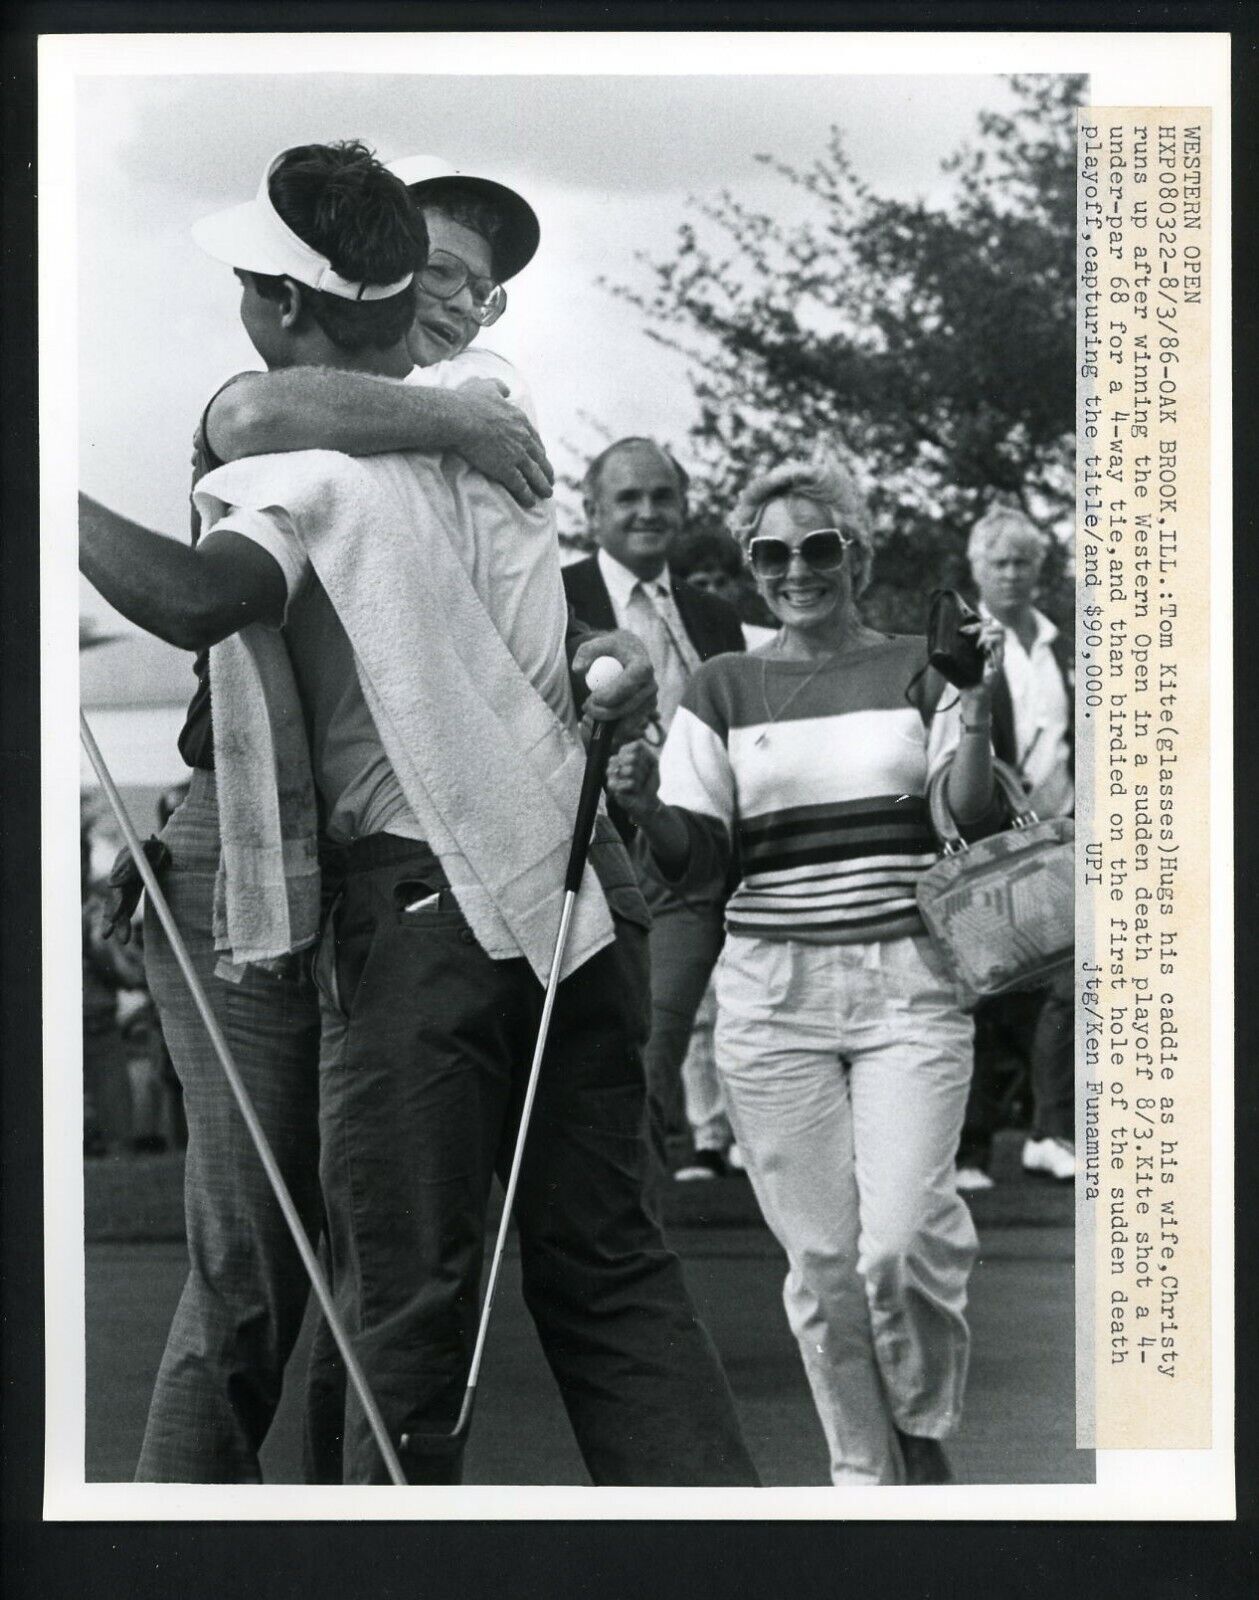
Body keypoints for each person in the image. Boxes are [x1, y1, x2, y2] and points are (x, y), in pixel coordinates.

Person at [85, 143, 757, 1489]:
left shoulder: (353, 444)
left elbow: (206, 583)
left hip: (410, 902)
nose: (463, 301)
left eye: (479, 282)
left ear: (283, 307)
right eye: (440, 268)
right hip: (548, 898)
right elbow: (248, 416)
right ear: (403, 288)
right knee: (597, 1264)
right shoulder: (470, 431)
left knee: (385, 1289)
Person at [607, 453, 1005, 1486]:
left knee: (901, 1240)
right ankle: (864, 1479)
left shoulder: (924, 665)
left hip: (909, 986)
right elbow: (698, 861)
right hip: (772, 998)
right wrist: (645, 804)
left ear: (856, 554)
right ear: (748, 564)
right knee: (823, 1263)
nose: (796, 569)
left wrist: (976, 700)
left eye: (818, 547)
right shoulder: (721, 686)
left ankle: (916, 1426)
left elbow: (968, 816)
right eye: (771, 552)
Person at [563, 440, 746, 1190]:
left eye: (660, 497)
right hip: (592, 849)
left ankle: (634, 1201)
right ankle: (602, 1201)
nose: (646, 512)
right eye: (627, 498)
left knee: (661, 1040)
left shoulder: (715, 616)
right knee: (597, 1041)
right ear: (592, 512)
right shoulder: (553, 597)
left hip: (689, 852)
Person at [953, 505, 1075, 1192]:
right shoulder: (966, 643)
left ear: (1038, 568)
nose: (1010, 574)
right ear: (976, 570)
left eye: (1022, 561)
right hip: (985, 845)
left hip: (1058, 839)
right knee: (980, 993)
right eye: (997, 562)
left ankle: (1049, 1132)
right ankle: (968, 1151)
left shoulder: (1060, 644)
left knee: (1068, 986)